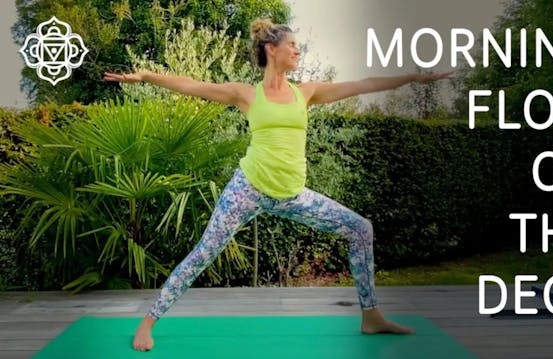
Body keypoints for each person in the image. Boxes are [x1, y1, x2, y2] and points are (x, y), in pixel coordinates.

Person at [103, 18, 453, 352]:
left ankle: (371, 316)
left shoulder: (307, 92)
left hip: (293, 196)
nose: (299, 51)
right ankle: (147, 323)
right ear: (272, 48)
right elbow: (194, 86)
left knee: (360, 229)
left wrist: (410, 77)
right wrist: (146, 75)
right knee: (203, 253)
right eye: (293, 45)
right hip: (247, 190)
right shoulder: (246, 95)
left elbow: (363, 84)